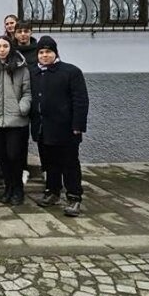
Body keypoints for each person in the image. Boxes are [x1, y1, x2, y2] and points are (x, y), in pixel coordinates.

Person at [29, 35, 89, 217]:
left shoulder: (70, 72)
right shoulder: (34, 73)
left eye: (48, 52)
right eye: (41, 52)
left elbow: (80, 100)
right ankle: (52, 192)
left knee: (69, 163)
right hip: (43, 128)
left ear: (55, 53)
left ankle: (74, 197)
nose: (44, 55)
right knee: (49, 163)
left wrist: (78, 125)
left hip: (66, 128)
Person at [0, 36, 31, 206]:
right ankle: (8, 188)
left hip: (16, 121)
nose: (2, 49)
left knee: (14, 156)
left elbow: (27, 92)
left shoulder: (21, 69)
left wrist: (22, 107)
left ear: (10, 48)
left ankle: (18, 189)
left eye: (5, 46)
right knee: (2, 157)